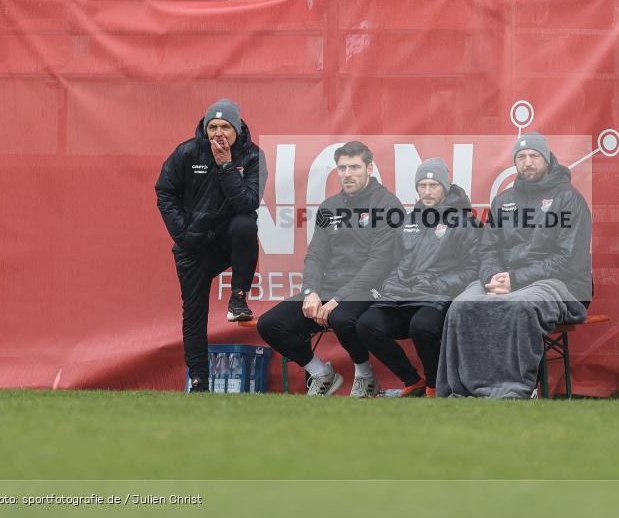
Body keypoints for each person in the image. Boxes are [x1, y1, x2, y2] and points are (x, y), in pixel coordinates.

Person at [437, 133, 593, 398]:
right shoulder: (503, 200)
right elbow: (487, 248)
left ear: (546, 159)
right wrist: (492, 277)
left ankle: (514, 389)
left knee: (519, 307)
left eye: (534, 156)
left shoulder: (569, 199)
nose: (528, 162)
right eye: (521, 157)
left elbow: (568, 260)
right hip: (505, 280)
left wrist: (515, 280)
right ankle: (461, 389)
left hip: (562, 284)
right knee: (460, 307)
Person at [256, 142, 404, 397]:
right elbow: (315, 255)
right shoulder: (329, 206)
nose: (347, 173)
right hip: (329, 288)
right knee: (270, 324)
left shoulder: (388, 204)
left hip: (371, 288)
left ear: (369, 168)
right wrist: (312, 291)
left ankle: (365, 376)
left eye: (354, 167)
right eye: (342, 168)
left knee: (341, 317)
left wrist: (339, 299)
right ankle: (321, 373)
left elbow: (380, 262)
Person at [155, 99, 267, 393]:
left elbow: (248, 203)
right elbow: (164, 191)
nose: (218, 133)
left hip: (226, 238)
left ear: (237, 128)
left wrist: (226, 166)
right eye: (213, 127)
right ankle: (200, 379)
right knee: (193, 312)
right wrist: (182, 233)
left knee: (246, 224)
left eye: (225, 127)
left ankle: (238, 298)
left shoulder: (253, 156)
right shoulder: (187, 152)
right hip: (193, 243)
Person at [356, 158, 480, 398]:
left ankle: (435, 386)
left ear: (445, 186)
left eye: (433, 186)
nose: (427, 191)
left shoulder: (464, 222)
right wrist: (391, 285)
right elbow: (396, 264)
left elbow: (474, 270)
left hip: (439, 297)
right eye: (422, 186)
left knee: (421, 325)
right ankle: (413, 381)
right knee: (366, 324)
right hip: (402, 296)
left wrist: (437, 283)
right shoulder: (409, 222)